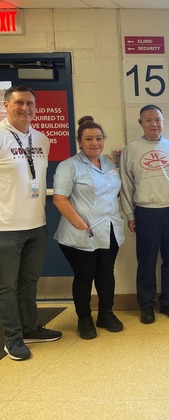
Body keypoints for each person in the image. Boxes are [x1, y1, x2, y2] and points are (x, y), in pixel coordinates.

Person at [0, 85, 62, 361]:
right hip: (6, 226)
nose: (25, 109)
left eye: (30, 104)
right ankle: (12, 338)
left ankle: (29, 328)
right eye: (19, 104)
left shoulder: (42, 138)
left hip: (36, 224)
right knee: (7, 286)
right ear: (6, 106)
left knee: (29, 281)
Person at [53, 116, 125, 339]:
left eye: (99, 138)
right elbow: (59, 199)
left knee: (106, 274)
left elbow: (115, 192)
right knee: (85, 276)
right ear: (79, 141)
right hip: (80, 233)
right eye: (89, 139)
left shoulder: (109, 163)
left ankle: (106, 313)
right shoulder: (69, 166)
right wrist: (82, 225)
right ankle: (84, 318)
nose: (95, 143)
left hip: (110, 229)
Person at [120, 104, 169, 324]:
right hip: (145, 212)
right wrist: (130, 215)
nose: (154, 124)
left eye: (158, 120)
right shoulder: (130, 150)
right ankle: (146, 305)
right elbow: (125, 185)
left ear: (163, 122)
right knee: (146, 261)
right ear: (141, 123)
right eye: (149, 120)